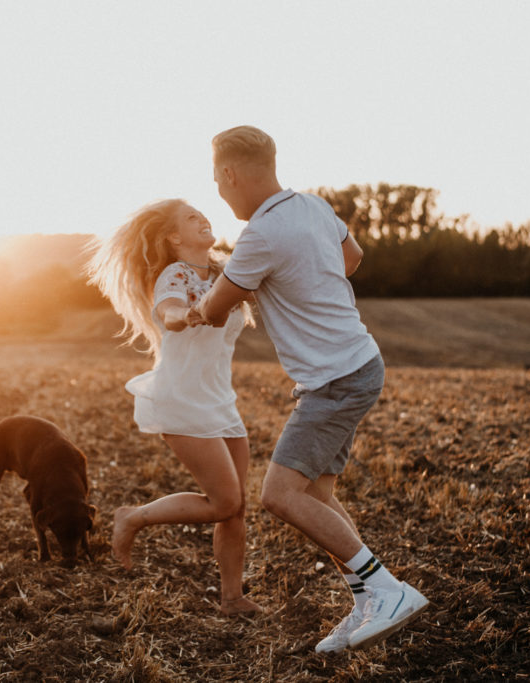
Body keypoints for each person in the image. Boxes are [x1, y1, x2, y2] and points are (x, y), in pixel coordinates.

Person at [194, 125, 428, 650]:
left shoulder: (259, 234)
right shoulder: (314, 207)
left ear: (230, 173)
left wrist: (190, 308)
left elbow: (213, 309)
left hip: (334, 380)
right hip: (359, 363)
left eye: (216, 179)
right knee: (317, 495)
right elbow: (353, 259)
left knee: (278, 496)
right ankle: (367, 598)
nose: (218, 190)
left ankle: (388, 589)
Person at [86, 198, 262, 616]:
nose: (202, 218)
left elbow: (265, 285)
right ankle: (133, 517)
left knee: (235, 508)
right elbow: (170, 313)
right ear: (173, 237)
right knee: (223, 502)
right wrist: (191, 312)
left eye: (202, 214)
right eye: (190, 217)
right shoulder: (175, 273)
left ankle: (232, 599)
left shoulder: (222, 272)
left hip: (221, 399)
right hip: (181, 399)